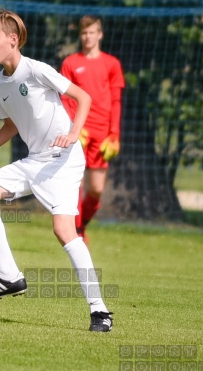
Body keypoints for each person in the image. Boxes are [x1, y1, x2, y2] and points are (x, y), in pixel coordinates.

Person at [0, 10, 113, 332]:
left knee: (64, 231)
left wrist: (72, 135)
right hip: (34, 161)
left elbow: (83, 98)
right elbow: (11, 124)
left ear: (13, 40)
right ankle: (9, 276)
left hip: (64, 160)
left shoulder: (36, 70)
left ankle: (100, 312)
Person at [60, 15, 125, 245]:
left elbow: (116, 101)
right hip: (79, 133)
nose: (88, 37)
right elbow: (65, 99)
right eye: (84, 33)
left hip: (102, 135)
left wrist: (114, 134)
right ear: (81, 35)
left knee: (96, 189)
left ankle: (82, 225)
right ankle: (76, 233)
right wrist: (72, 127)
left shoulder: (112, 64)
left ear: (100, 34)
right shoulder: (70, 63)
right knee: (77, 186)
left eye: (92, 32)